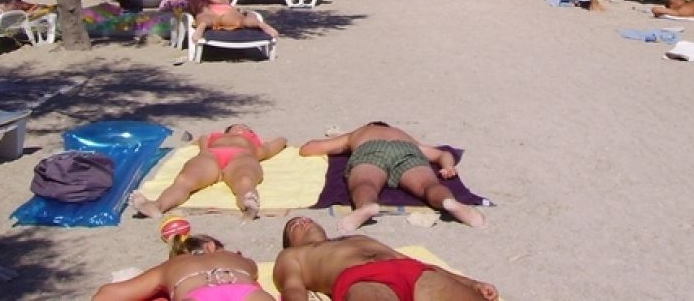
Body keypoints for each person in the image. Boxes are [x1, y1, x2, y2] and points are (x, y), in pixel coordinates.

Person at [298, 122, 485, 233]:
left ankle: (366, 206)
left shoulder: (359, 133)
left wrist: (346, 142)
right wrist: (448, 167)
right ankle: (449, 202)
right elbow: (441, 154)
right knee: (428, 185)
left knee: (365, 183)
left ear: (371, 125)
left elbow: (309, 148)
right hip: (406, 150)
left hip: (372, 148)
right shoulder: (404, 136)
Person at [275, 216, 498, 301]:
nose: (304, 221)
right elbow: (292, 288)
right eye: (295, 224)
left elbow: (416, 261)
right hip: (362, 279)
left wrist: (471, 283)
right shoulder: (292, 255)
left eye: (306, 218)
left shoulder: (356, 237)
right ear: (291, 241)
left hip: (411, 270)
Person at [129, 124, 288, 219]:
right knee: (185, 179)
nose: (241, 127)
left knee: (245, 180)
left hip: (241, 155)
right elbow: (196, 140)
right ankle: (157, 206)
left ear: (252, 134)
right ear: (226, 131)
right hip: (211, 154)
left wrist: (282, 139)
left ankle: (248, 204)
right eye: (235, 126)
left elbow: (273, 145)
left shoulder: (254, 143)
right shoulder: (212, 138)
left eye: (245, 128)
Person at [92, 223, 274, 301]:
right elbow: (252, 267)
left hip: (199, 295)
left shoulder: (172, 266)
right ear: (210, 246)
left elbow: (107, 295)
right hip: (246, 292)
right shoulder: (236, 259)